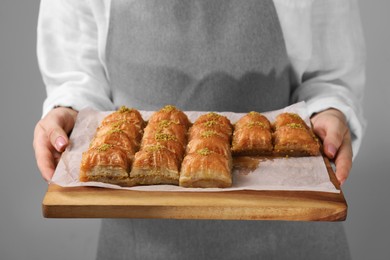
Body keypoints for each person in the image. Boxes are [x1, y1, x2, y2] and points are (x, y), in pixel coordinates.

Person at [33, 0, 366, 259]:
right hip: (140, 241)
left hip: (292, 232)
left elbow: (329, 76)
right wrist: (68, 113)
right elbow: (77, 77)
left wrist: (330, 111)